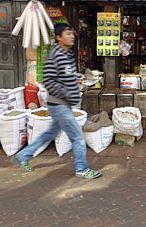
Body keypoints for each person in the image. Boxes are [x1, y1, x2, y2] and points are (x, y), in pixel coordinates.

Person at [11, 23, 101, 179]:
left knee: (48, 134)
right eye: (68, 34)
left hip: (63, 104)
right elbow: (49, 82)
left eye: (72, 33)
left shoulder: (66, 55)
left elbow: (65, 78)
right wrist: (68, 94)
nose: (72, 36)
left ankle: (23, 156)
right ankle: (82, 169)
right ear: (59, 37)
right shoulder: (54, 55)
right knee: (78, 137)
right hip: (59, 105)